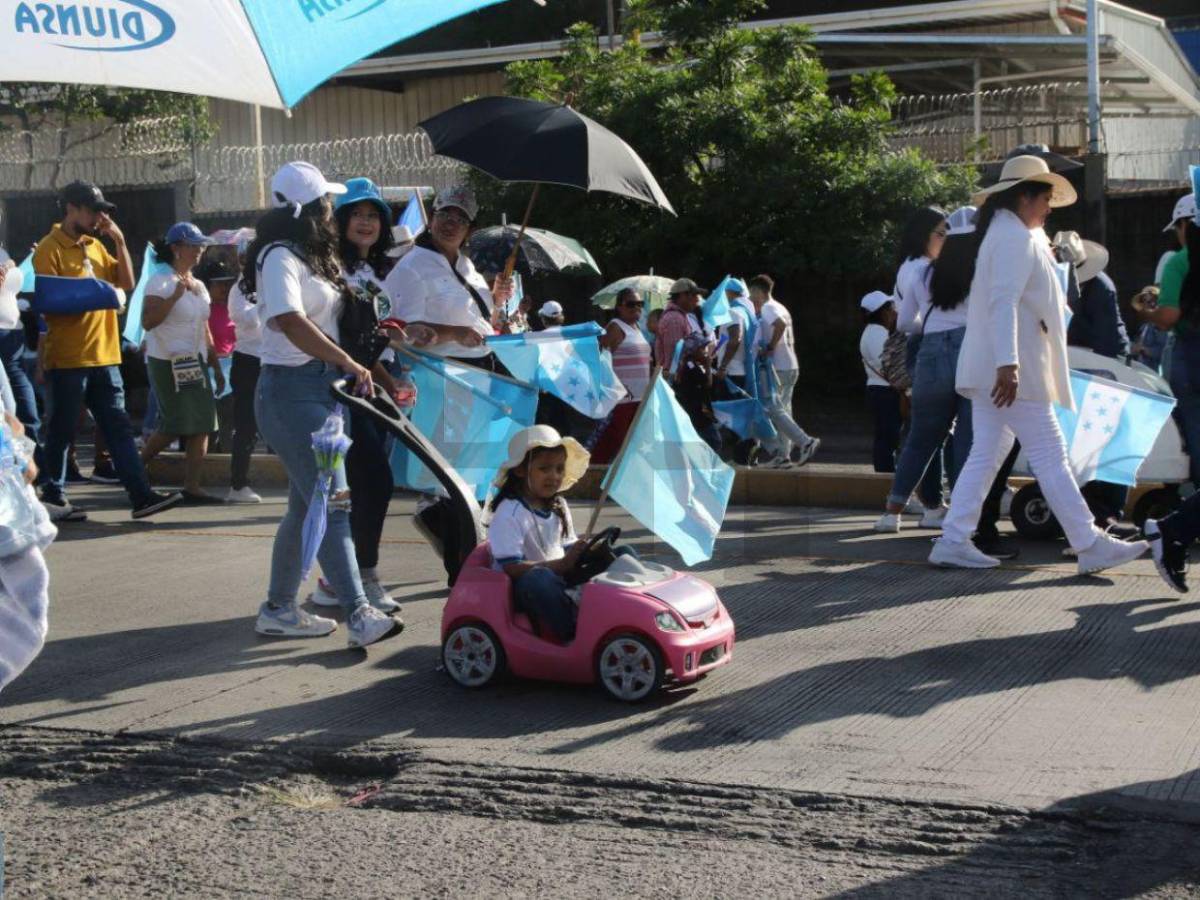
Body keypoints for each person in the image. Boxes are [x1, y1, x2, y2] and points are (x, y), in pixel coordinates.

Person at [928, 155, 1147, 573]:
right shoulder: (1013, 237)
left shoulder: (1009, 233)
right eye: (1046, 198)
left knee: (988, 452)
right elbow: (1003, 302)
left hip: (1001, 365)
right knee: (1047, 451)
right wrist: (1008, 365)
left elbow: (1010, 301)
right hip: (1013, 367)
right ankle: (1087, 541)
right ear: (1025, 197)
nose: (1050, 208)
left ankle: (955, 537)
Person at [243, 161, 401, 649]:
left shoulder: (306, 255)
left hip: (320, 391)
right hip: (291, 393)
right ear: (311, 208)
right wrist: (348, 362)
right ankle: (358, 612)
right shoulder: (278, 257)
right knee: (334, 503)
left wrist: (364, 343)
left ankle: (278, 608)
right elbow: (290, 320)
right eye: (329, 204)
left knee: (303, 506)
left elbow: (325, 319)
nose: (334, 211)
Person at [32, 180, 181, 522]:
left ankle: (141, 496)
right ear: (71, 207)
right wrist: (95, 295)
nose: (99, 216)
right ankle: (52, 495)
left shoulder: (96, 247)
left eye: (101, 211)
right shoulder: (49, 248)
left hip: (106, 355)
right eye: (92, 209)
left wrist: (119, 240)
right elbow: (49, 304)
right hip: (69, 358)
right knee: (61, 429)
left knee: (118, 429)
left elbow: (126, 283)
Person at [385, 184, 513, 581]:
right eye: (445, 214)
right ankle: (460, 568)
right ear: (432, 217)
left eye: (460, 217)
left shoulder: (466, 267)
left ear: (469, 227)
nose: (451, 223)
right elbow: (397, 330)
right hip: (441, 375)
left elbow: (480, 323)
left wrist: (495, 301)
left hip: (475, 372)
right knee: (455, 477)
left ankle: (459, 551)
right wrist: (452, 333)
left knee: (474, 474)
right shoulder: (412, 266)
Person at [308, 177, 403, 616]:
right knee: (370, 483)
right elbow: (337, 337)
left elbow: (366, 341)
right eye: (358, 215)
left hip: (364, 387)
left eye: (374, 216)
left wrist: (390, 377)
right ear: (341, 220)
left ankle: (339, 578)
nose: (366, 223)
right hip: (337, 391)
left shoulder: (370, 272)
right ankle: (358, 576)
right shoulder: (330, 267)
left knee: (358, 488)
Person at [874, 206, 976, 533]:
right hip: (967, 350)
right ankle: (960, 516)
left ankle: (891, 513)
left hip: (929, 352)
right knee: (965, 438)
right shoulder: (977, 272)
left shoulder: (920, 273)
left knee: (920, 437)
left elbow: (904, 321)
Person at [138, 223, 225, 503]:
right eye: (193, 245)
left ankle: (192, 486)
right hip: (167, 361)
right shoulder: (160, 282)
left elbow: (204, 327)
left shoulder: (198, 285)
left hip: (193, 362)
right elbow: (148, 322)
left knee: (203, 422)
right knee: (175, 423)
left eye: (201, 245)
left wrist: (213, 364)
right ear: (176, 248)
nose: (199, 250)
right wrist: (174, 296)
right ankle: (134, 469)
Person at [488, 426, 591, 643]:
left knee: (619, 554)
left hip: (559, 576)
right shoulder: (509, 512)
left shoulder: (559, 505)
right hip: (521, 589)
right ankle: (571, 636)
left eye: (559, 469)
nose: (554, 476)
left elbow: (568, 546)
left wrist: (585, 552)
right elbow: (513, 568)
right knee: (539, 580)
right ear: (520, 471)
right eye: (545, 469)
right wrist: (562, 565)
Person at [1143, 212, 1198, 487]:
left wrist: (1146, 313)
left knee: (1192, 428)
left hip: (1190, 354)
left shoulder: (1179, 262)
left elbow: (1168, 317)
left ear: (1186, 224)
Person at [748, 275, 820, 468]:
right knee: (784, 409)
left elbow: (779, 325)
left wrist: (769, 347)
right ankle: (784, 456)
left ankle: (805, 441)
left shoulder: (768, 307)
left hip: (777, 367)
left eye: (751, 292)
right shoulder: (781, 306)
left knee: (773, 409)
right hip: (790, 365)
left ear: (758, 290)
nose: (750, 297)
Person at [591, 287, 651, 464]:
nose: (636, 308)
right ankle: (591, 479)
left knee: (629, 445)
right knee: (616, 443)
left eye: (640, 304)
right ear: (619, 307)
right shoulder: (616, 327)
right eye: (631, 304)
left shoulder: (638, 328)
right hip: (621, 400)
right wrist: (616, 386)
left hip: (639, 399)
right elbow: (600, 361)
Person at [226, 236, 264, 504]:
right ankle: (238, 485)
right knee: (246, 425)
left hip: (274, 361)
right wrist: (270, 302)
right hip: (248, 361)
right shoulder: (239, 289)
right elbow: (245, 319)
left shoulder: (270, 282)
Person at [859, 291, 902, 474]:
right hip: (885, 390)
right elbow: (888, 366)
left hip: (881, 389)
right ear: (882, 312)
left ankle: (885, 476)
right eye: (891, 308)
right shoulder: (877, 334)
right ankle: (885, 479)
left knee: (886, 437)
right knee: (887, 437)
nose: (894, 311)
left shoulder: (877, 332)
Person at [200, 256, 238, 454]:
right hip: (207, 369)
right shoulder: (202, 309)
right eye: (218, 284)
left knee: (229, 423)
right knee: (209, 424)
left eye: (227, 284)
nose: (224, 288)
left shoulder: (233, 307)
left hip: (231, 368)